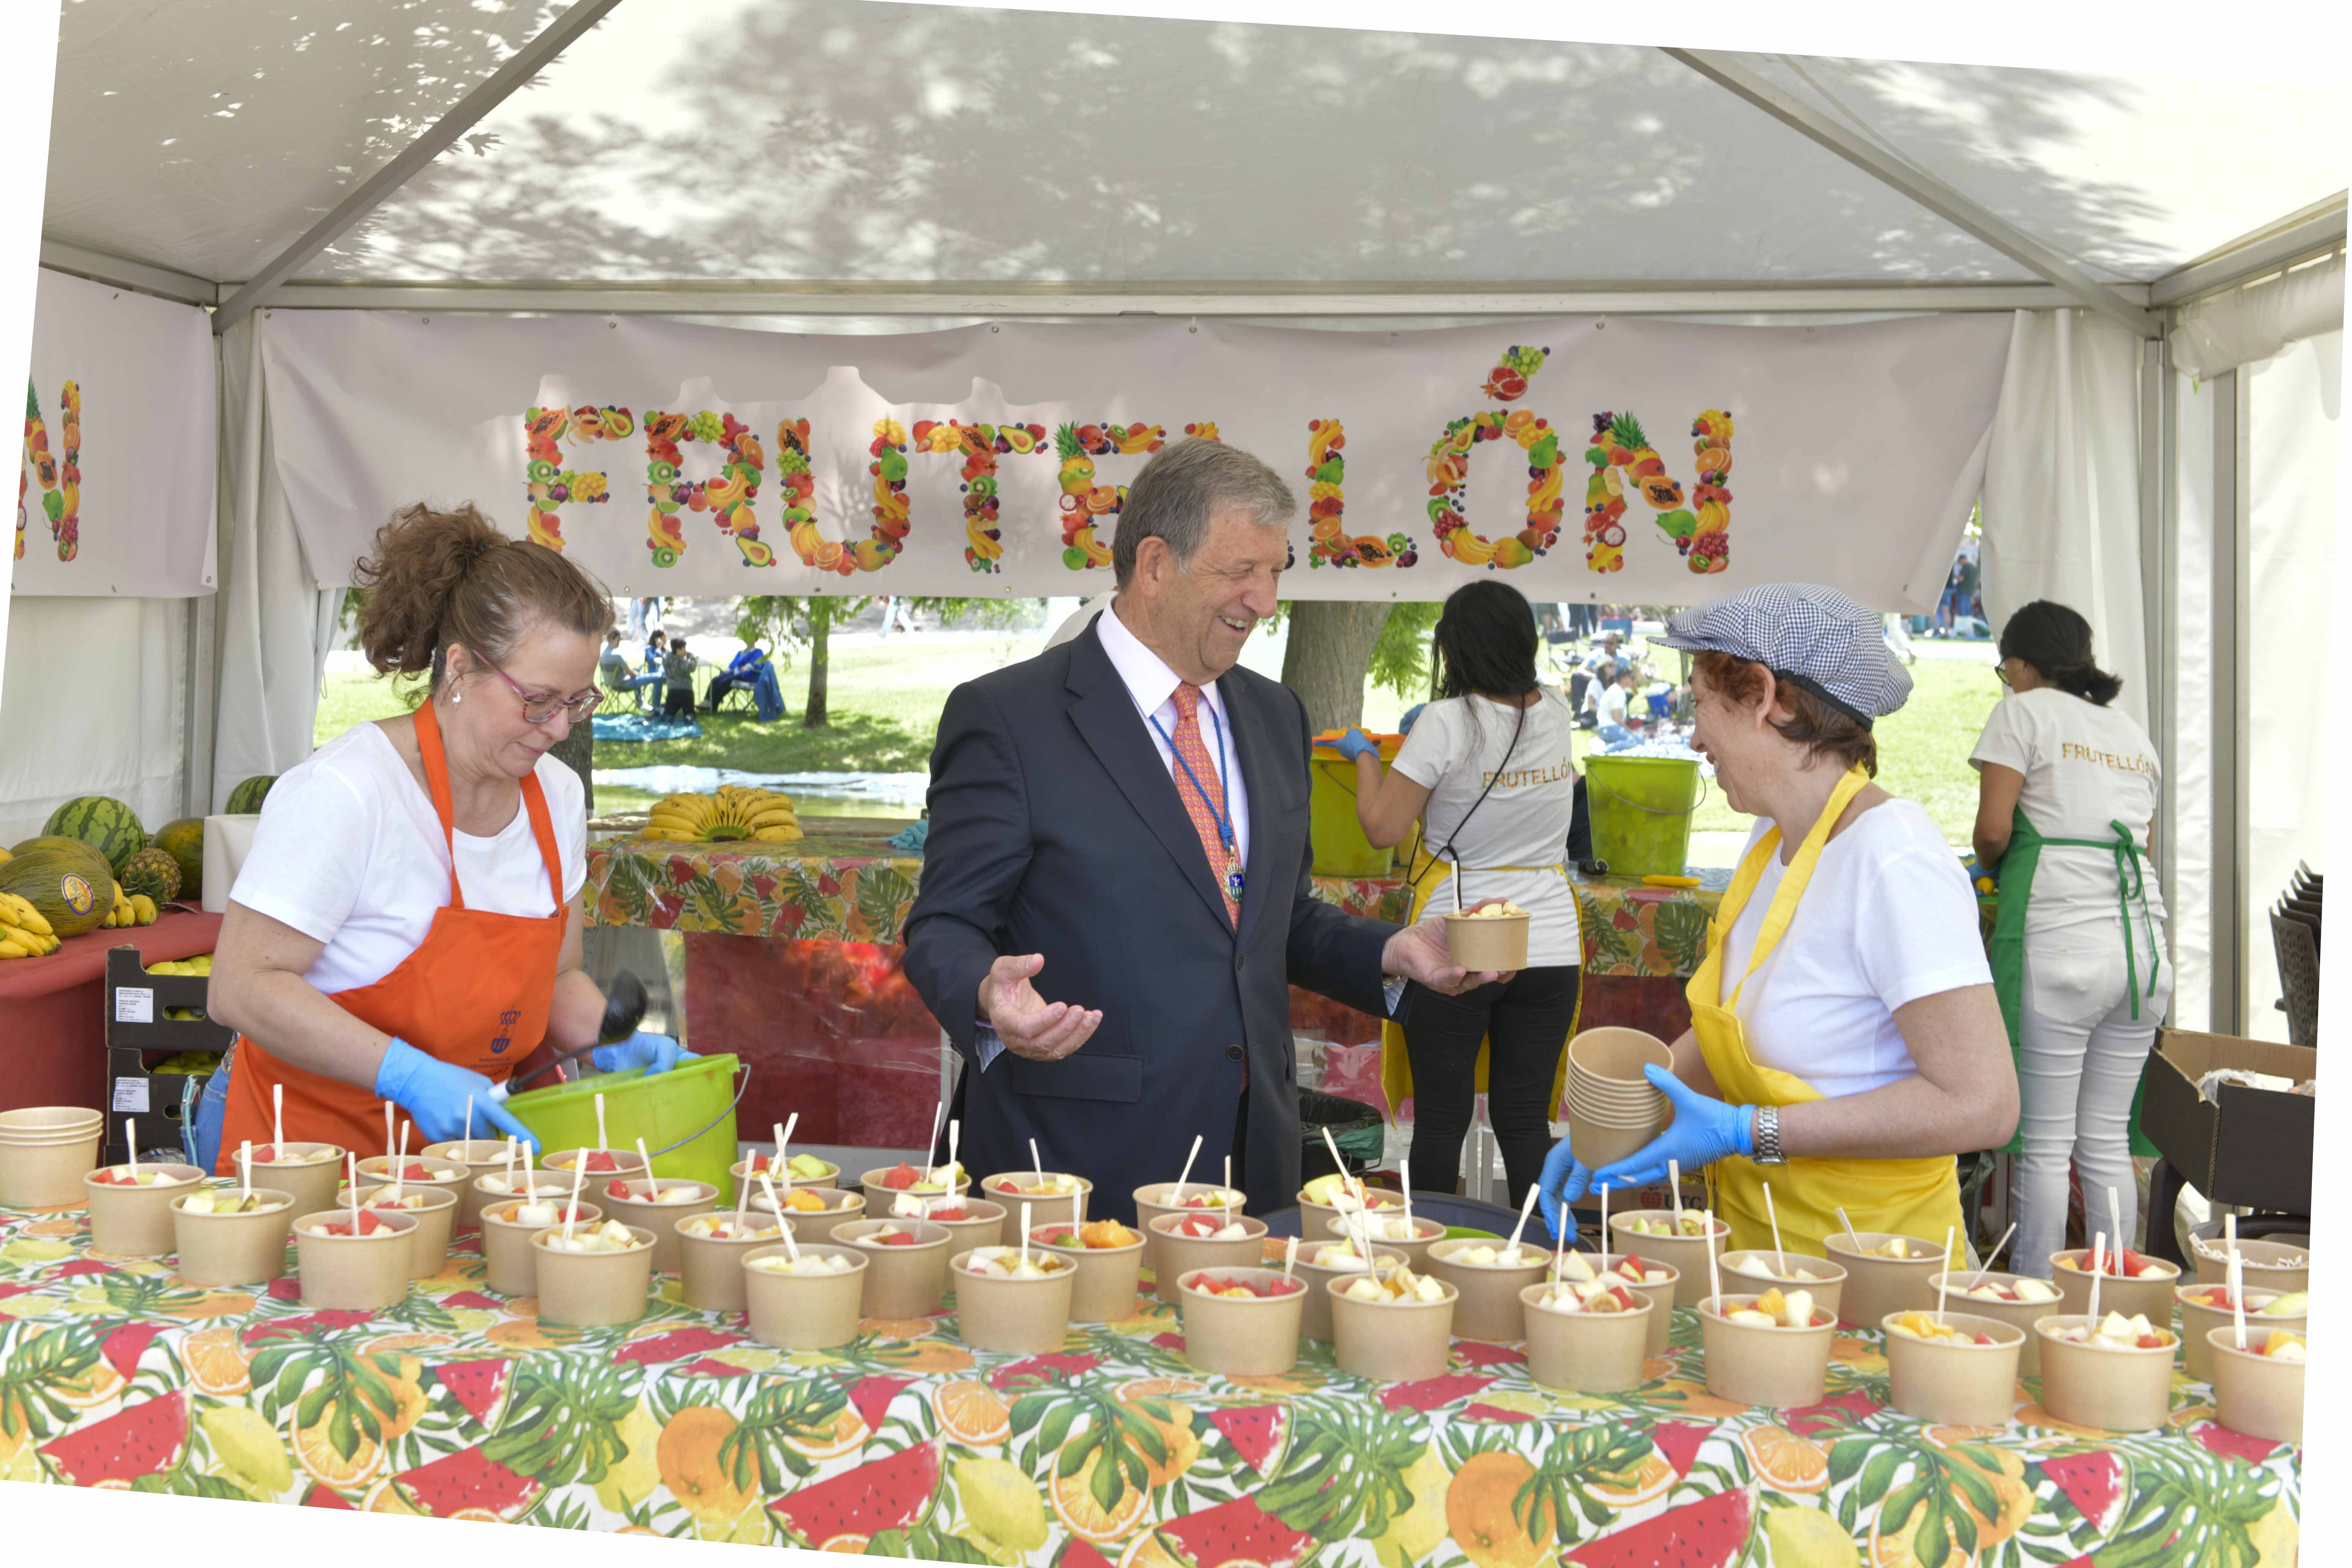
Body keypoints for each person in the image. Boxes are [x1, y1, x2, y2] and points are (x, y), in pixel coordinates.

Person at [903, 437, 1509, 1220]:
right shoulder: (1009, 718)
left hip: (1252, 1161)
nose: (1265, 600)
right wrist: (988, 992)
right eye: (1241, 571)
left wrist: (1392, 951)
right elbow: (944, 925)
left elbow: (1272, 921)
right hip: (1074, 1166)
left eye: (1276, 571)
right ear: (1156, 564)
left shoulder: (1275, 714)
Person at [190, 504, 690, 1174]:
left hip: (460, 1156)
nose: (557, 728)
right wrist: (408, 1076)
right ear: (459, 668)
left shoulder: (559, 798)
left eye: (578, 702)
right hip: (302, 1149)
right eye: (538, 699)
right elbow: (241, 986)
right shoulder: (348, 791)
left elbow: (557, 978)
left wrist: (609, 1041)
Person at [1538, 584, 2017, 1255]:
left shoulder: (1894, 858)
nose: (1695, 736)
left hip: (1880, 1267)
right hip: (1761, 1262)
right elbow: (1735, 1037)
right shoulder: (1772, 840)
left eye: (1700, 703)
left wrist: (1749, 1131)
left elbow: (1984, 1105)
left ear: (1764, 696)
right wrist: (1611, 1133)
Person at [1332, 581, 1583, 1209]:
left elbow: (1383, 828)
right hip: (1549, 940)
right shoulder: (1556, 708)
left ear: (1450, 647)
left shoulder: (1444, 722)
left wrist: (1365, 757)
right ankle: (1544, 1252)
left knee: (1442, 1118)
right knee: (1524, 1117)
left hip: (1458, 939)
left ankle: (1427, 1254)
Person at [1971, 601, 2169, 1276]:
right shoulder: (2132, 733)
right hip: (2143, 953)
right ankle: (2113, 1294)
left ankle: (2035, 1297)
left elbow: (1993, 831)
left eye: (2006, 668)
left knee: (2048, 1145)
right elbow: (2142, 847)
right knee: (2106, 1140)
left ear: (2022, 664)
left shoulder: (2022, 713)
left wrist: (1987, 865)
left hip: (2061, 948)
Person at [599, 629, 664, 711]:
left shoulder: (602, 657)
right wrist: (636, 674)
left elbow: (619, 672)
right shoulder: (617, 656)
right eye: (619, 639)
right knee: (659, 677)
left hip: (610, 684)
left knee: (637, 671)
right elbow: (632, 675)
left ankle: (642, 703)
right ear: (615, 639)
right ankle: (656, 708)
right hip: (623, 684)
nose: (620, 642)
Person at [702, 639, 772, 711]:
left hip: (746, 676)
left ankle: (713, 706)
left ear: (755, 640)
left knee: (724, 683)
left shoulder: (758, 652)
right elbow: (733, 665)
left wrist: (747, 667)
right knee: (715, 680)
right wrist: (728, 670)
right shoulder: (741, 653)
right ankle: (707, 702)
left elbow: (757, 664)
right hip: (733, 673)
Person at [1592, 668, 1637, 748]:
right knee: (1632, 741)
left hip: (1609, 728)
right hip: (1609, 728)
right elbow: (1617, 719)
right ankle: (1605, 750)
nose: (1633, 681)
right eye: (1632, 678)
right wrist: (1630, 731)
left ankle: (1606, 745)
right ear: (1626, 679)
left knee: (1639, 740)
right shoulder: (1617, 692)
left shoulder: (1617, 689)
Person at [661, 638, 700, 718]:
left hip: (672, 690)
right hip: (686, 691)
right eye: (684, 648)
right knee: (689, 714)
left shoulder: (666, 658)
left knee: (669, 714)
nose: (686, 651)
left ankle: (668, 718)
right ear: (678, 650)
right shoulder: (682, 662)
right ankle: (689, 718)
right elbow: (692, 668)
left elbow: (666, 657)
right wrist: (693, 658)